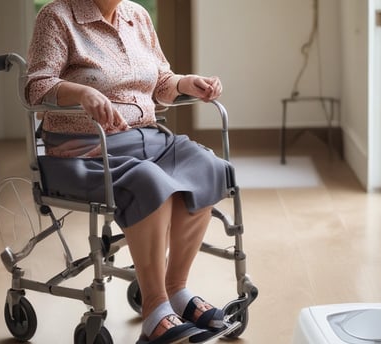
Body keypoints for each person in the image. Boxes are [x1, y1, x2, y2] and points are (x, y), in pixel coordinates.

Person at [25, 0, 232, 343]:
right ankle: (154, 310)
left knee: (207, 167)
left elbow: (160, 81)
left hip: (147, 138)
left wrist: (185, 83)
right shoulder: (58, 16)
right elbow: (34, 87)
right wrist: (82, 92)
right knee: (149, 180)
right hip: (83, 148)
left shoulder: (136, 15)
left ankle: (176, 290)